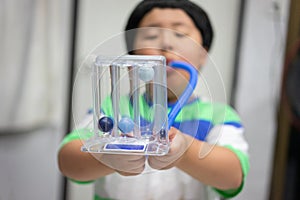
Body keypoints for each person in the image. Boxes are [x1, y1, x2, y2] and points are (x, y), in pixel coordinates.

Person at [58, 0, 249, 199]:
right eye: (151, 35)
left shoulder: (219, 116)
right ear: (132, 56)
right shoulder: (112, 109)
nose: (166, 44)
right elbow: (67, 162)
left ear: (203, 54)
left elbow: (233, 177)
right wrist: (105, 158)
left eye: (180, 34)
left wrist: (185, 151)